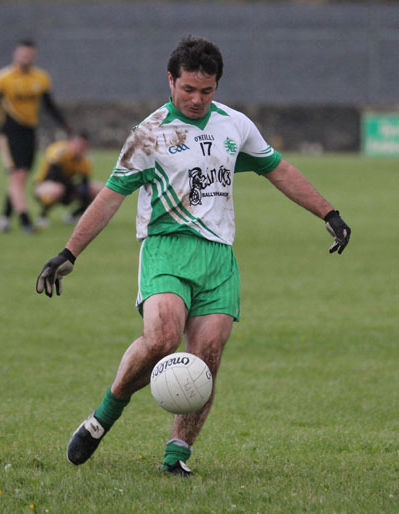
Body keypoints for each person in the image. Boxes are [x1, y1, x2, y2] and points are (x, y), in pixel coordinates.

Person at [36, 36, 351, 477]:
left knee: (207, 357)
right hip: (166, 247)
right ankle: (104, 415)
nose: (197, 99)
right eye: (188, 89)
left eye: (207, 91)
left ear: (217, 86)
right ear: (171, 80)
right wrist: (69, 252)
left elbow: (277, 169)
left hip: (219, 257)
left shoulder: (235, 125)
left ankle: (176, 454)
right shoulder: (148, 135)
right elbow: (109, 197)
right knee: (163, 338)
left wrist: (329, 212)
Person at [0, 39, 71, 233]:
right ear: (15, 54)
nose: (25, 57)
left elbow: (49, 105)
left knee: (21, 177)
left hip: (29, 133)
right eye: (22, 53)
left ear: (33, 56)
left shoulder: (41, 78)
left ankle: (4, 218)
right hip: (9, 134)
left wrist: (65, 125)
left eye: (29, 54)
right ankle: (26, 222)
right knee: (17, 177)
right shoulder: (2, 78)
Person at [34, 131, 103, 228]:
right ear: (71, 142)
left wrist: (83, 195)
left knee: (99, 190)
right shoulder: (59, 151)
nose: (80, 148)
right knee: (57, 189)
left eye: (84, 146)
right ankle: (42, 216)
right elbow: (52, 176)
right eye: (78, 144)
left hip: (68, 186)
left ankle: (73, 216)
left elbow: (85, 182)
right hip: (45, 185)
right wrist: (71, 188)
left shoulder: (85, 159)